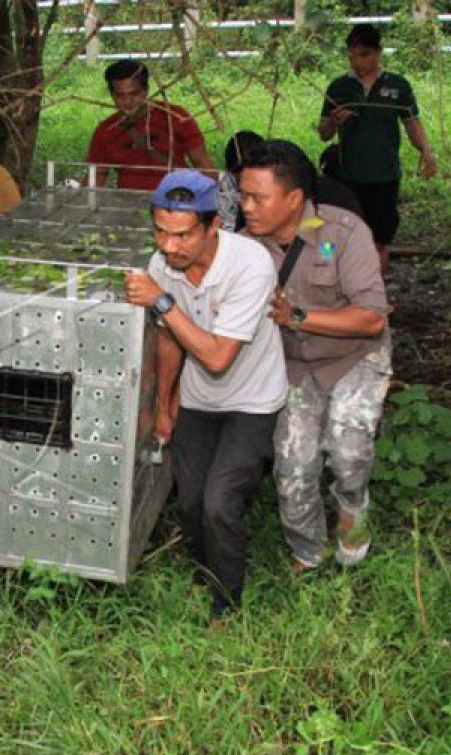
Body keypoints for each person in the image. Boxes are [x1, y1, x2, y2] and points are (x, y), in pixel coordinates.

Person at [123, 170, 286, 618]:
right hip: (199, 399)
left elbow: (216, 357)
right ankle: (206, 568)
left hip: (252, 400)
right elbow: (171, 339)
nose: (169, 246)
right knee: (190, 501)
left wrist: (161, 302)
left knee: (219, 503)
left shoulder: (250, 265)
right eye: (160, 231)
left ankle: (226, 607)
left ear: (213, 225)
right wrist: (163, 406)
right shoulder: (164, 267)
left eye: (182, 235)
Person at [238, 139, 391, 573]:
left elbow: (371, 319)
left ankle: (353, 544)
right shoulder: (244, 245)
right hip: (292, 365)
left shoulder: (343, 233)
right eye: (243, 195)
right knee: (292, 468)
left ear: (293, 199)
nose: (247, 206)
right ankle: (307, 551)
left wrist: (298, 316)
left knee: (348, 456)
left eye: (257, 197)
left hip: (353, 359)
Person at [318, 23, 438, 274]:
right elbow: (324, 134)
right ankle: (326, 285)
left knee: (380, 239)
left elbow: (412, 123)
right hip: (347, 176)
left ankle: (375, 296)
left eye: (364, 55)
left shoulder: (398, 87)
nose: (357, 61)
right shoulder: (339, 88)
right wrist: (333, 121)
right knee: (333, 234)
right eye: (352, 55)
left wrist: (426, 151)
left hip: (385, 176)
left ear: (378, 53)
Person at [87, 59, 213, 192]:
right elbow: (96, 178)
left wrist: (206, 204)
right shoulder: (106, 130)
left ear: (146, 90)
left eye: (135, 94)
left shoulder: (175, 117)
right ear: (112, 95)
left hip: (175, 202)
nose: (128, 102)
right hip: (128, 204)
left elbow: (203, 165)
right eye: (120, 96)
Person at [221, 129, 361, 233]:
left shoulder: (335, 202)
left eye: (258, 196)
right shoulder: (250, 211)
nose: (247, 206)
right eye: (243, 192)